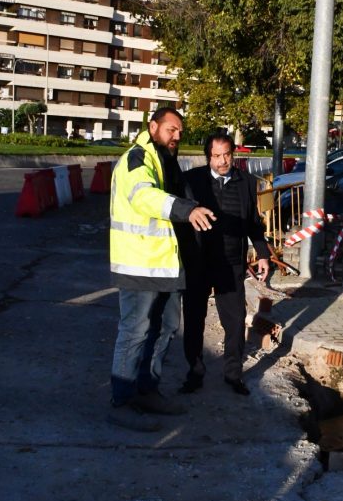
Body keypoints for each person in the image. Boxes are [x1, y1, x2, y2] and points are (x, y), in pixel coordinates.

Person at [108, 107, 215, 431]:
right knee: (135, 331)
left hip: (165, 266)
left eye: (180, 131)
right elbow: (144, 197)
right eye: (171, 129)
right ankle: (121, 401)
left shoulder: (165, 160)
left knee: (166, 327)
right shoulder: (138, 159)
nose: (177, 136)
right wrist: (186, 209)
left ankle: (147, 390)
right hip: (139, 264)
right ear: (153, 126)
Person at [180, 132, 271, 396]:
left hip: (230, 264)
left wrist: (263, 253)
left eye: (227, 155)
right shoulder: (192, 180)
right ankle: (194, 373)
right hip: (199, 263)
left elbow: (253, 222)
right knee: (194, 319)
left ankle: (233, 375)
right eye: (216, 156)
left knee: (235, 321)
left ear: (233, 154)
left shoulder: (247, 182)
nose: (222, 161)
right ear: (208, 157)